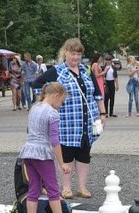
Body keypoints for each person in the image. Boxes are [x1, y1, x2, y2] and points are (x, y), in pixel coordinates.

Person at [31, 38, 106, 199]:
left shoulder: (86, 70)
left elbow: (97, 93)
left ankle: (82, 186)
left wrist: (103, 113)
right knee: (67, 155)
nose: (75, 57)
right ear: (65, 53)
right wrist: (47, 102)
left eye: (78, 54)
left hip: (88, 120)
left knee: (84, 154)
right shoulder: (57, 71)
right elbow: (37, 85)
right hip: (67, 122)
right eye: (72, 53)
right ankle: (66, 188)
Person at [18, 82, 77, 213]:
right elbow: (54, 141)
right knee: (53, 188)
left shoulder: (34, 107)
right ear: (56, 95)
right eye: (62, 101)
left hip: (27, 151)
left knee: (34, 188)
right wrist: (62, 162)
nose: (61, 105)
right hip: (42, 153)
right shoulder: (52, 113)